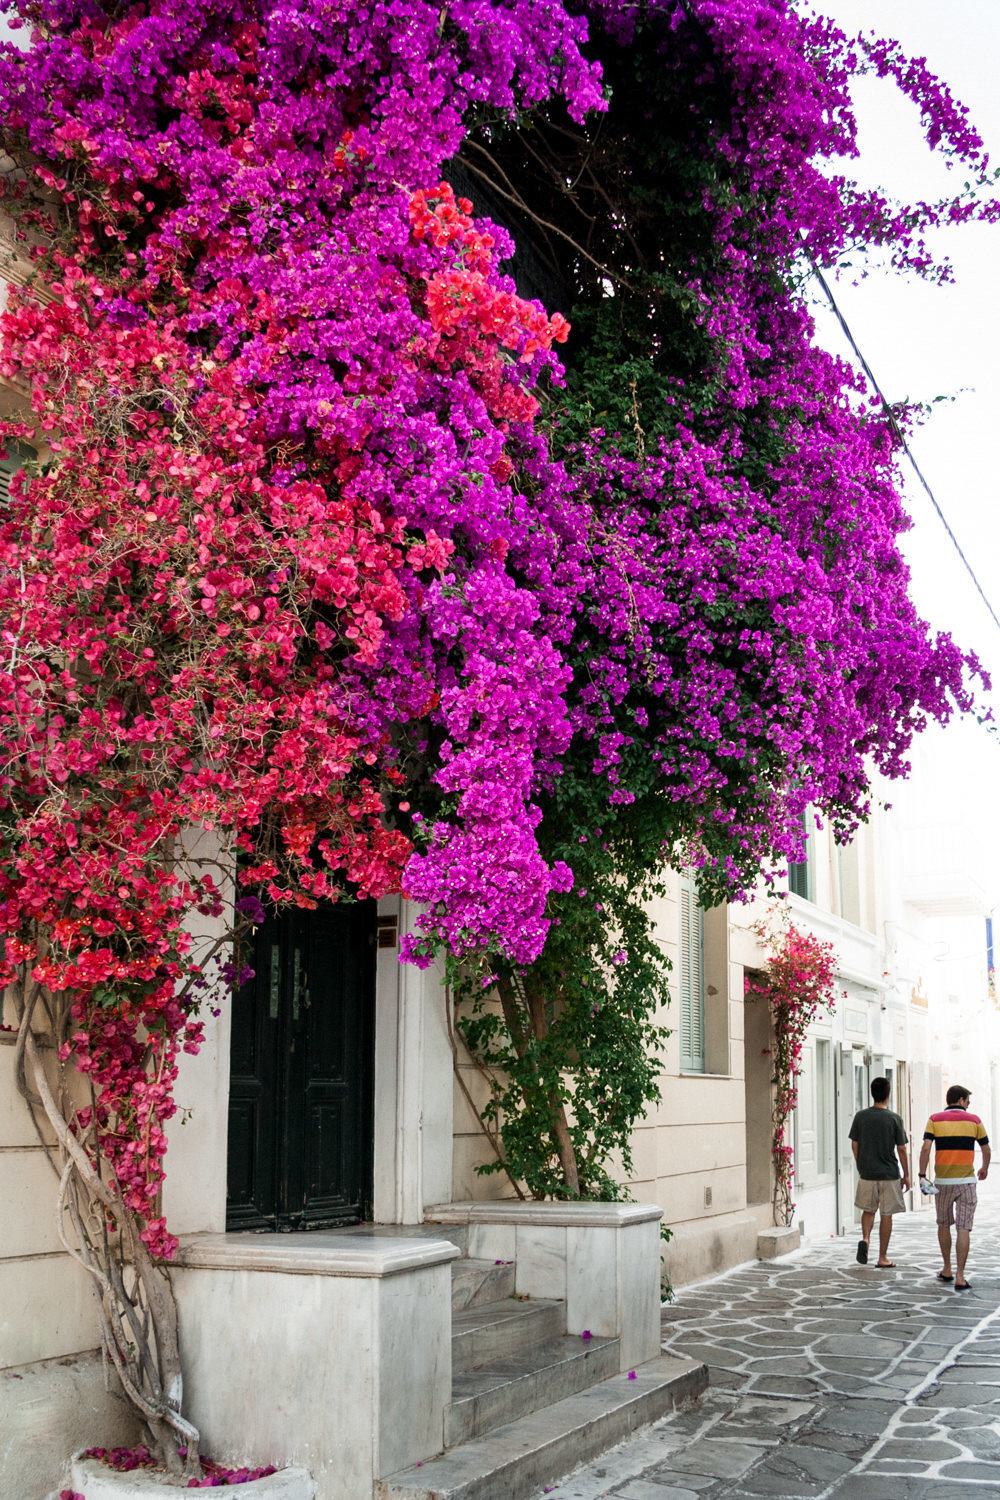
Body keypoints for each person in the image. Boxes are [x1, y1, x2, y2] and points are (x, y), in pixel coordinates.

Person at [918, 1084, 990, 1291]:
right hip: (966, 1181)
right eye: (968, 1101)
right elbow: (986, 1148)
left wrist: (922, 1175)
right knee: (964, 1227)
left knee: (943, 1224)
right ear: (960, 1099)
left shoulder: (935, 1119)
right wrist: (984, 1168)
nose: (968, 1105)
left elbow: (925, 1148)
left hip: (943, 1182)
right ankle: (960, 1276)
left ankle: (947, 1268)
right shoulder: (975, 1120)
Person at [848, 1076, 910, 1267]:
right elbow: (901, 1149)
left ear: (872, 1093)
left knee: (868, 1210)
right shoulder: (894, 1118)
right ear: (888, 1094)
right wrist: (906, 1175)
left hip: (867, 1173)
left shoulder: (861, 1116)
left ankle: (866, 1239)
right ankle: (883, 1257)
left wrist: (862, 1163)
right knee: (886, 1214)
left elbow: (854, 1143)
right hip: (889, 1173)